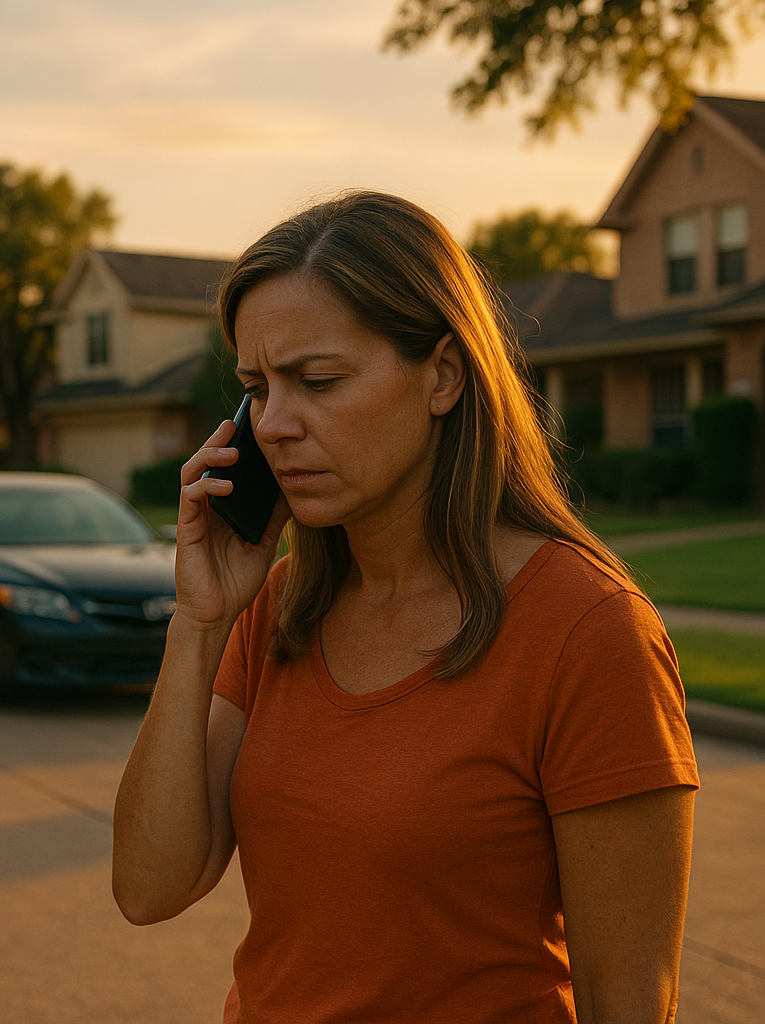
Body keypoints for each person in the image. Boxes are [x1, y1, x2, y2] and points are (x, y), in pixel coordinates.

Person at [113, 192, 698, 1023]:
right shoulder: (278, 605)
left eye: (318, 380)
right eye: (256, 389)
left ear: (444, 377)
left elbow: (631, 996)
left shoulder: (588, 630)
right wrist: (200, 624)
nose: (275, 424)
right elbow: (147, 885)